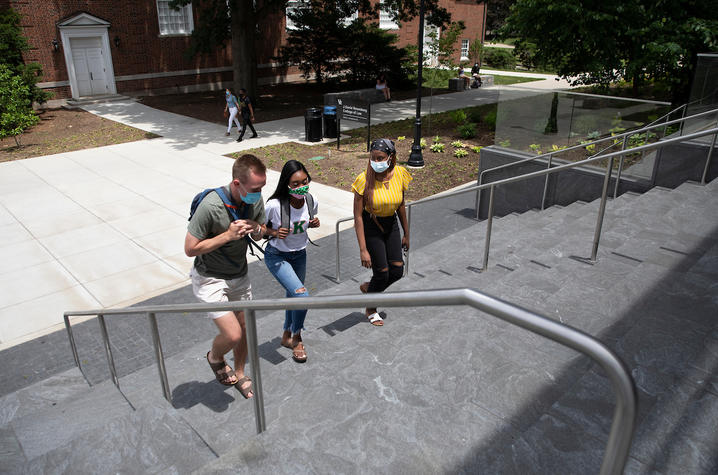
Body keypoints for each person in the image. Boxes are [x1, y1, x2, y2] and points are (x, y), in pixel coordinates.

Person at [184, 154, 267, 399]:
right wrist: (227, 236)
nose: (258, 193)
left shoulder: (254, 199)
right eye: (254, 188)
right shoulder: (211, 206)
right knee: (232, 334)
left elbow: (261, 232)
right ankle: (216, 357)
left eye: (262, 188)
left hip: (238, 274)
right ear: (236, 183)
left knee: (244, 327)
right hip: (209, 278)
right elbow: (190, 249)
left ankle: (240, 372)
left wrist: (256, 228)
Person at [263, 160, 320, 363]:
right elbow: (258, 230)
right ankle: (297, 338)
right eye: (295, 184)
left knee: (292, 296)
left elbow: (306, 222)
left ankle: (286, 336)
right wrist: (273, 232)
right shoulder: (274, 206)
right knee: (302, 296)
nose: (301, 187)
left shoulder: (311, 200)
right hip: (277, 256)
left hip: (299, 254)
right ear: (286, 184)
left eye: (305, 181)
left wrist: (314, 223)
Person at [351, 138, 411, 326]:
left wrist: (406, 233)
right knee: (382, 272)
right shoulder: (363, 181)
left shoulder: (400, 174)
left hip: (391, 224)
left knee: (397, 270)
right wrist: (363, 249)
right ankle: (371, 307)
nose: (376, 162)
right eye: (373, 158)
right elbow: (358, 217)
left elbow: (401, 205)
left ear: (391, 157)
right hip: (371, 226)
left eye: (381, 158)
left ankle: (370, 289)